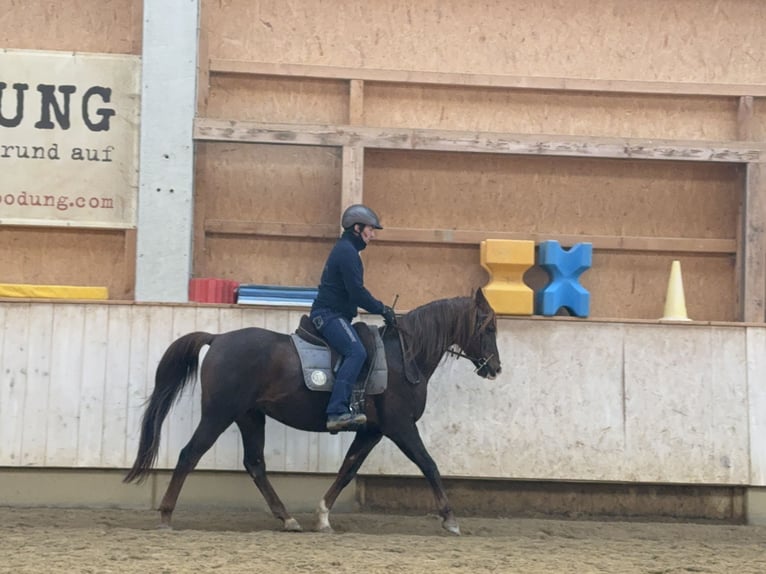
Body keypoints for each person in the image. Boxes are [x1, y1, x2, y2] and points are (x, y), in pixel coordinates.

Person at [310, 204, 397, 432]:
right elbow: (356, 292)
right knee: (356, 352)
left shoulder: (348, 250)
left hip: (336, 315)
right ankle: (337, 412)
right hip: (329, 315)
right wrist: (382, 309)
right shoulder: (346, 252)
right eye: (371, 229)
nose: (373, 235)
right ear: (357, 228)